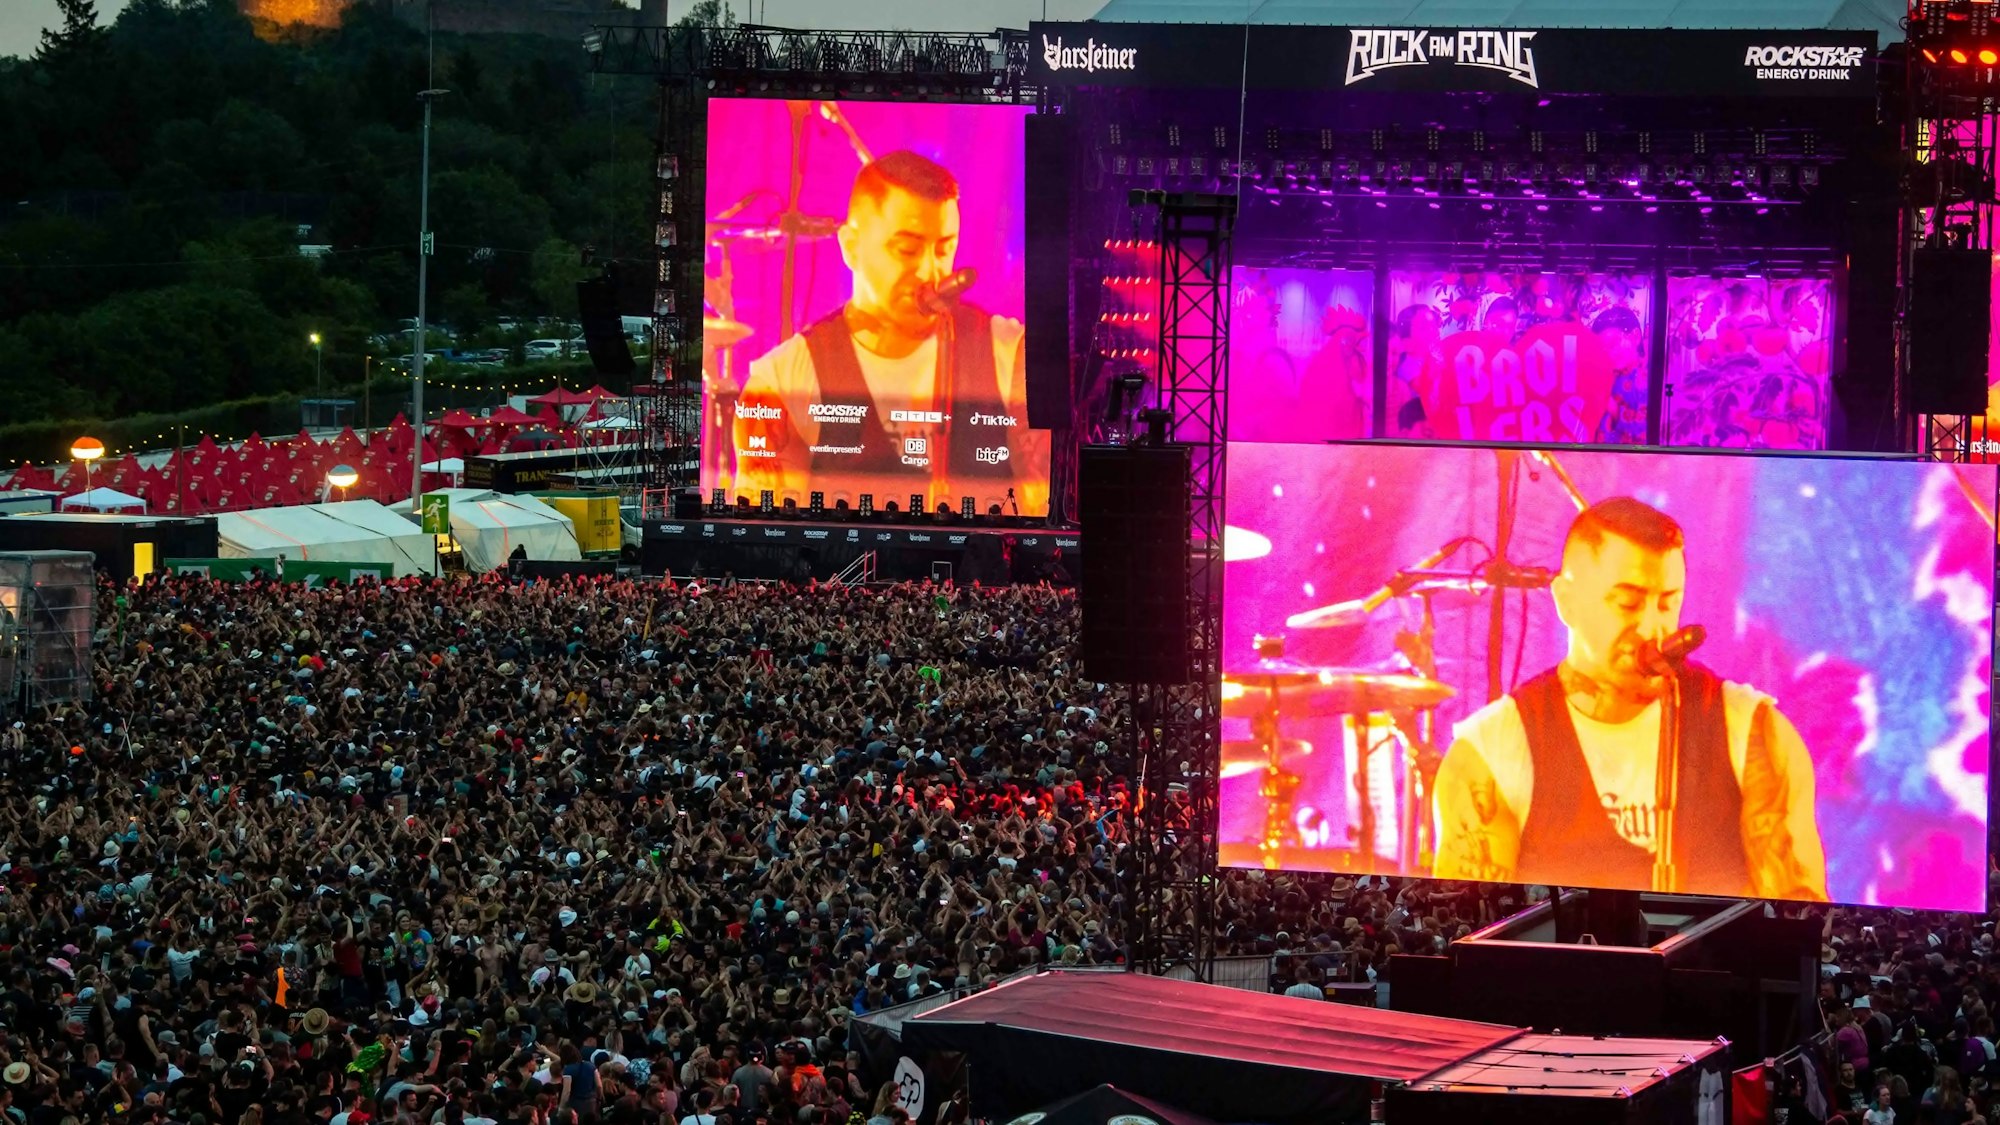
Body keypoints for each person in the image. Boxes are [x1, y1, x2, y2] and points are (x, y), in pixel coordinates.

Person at [1431, 496, 1828, 899]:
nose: (1652, 629)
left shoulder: (1752, 731)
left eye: (1667, 603)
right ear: (1566, 601)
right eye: (1628, 604)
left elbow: (1797, 919)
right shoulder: (1491, 751)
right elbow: (1472, 930)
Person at [726, 149, 1040, 513]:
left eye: (943, 250)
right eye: (906, 250)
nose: (931, 274)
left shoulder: (1011, 352)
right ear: (851, 247)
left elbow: (1043, 508)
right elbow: (770, 530)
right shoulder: (780, 379)